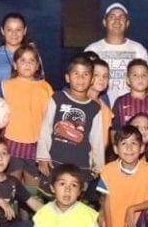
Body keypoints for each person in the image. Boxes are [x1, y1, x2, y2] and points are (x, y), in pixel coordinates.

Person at [0, 44, 53, 185]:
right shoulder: (6, 85)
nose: (27, 64)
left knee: (33, 192)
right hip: (10, 144)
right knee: (11, 188)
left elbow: (52, 120)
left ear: (38, 66)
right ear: (15, 65)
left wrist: (47, 150)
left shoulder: (46, 87)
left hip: (37, 145)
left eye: (32, 61)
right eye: (23, 60)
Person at [37, 54, 105, 187]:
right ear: (68, 77)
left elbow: (97, 140)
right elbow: (45, 129)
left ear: (92, 79)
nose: (81, 78)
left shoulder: (95, 108)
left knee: (75, 203)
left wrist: (99, 165)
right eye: (76, 73)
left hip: (80, 166)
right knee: (51, 202)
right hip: (54, 162)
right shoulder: (57, 98)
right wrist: (42, 156)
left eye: (86, 74)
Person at [85, 2, 148, 106]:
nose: (117, 20)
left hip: (131, 108)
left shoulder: (139, 49)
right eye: (112, 17)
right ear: (104, 22)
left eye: (122, 17)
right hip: (99, 106)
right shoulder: (92, 49)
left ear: (127, 23)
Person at [112, 59, 148, 155]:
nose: (140, 78)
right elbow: (114, 129)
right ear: (128, 80)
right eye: (135, 75)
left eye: (143, 75)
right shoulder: (120, 102)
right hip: (127, 153)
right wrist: (117, 152)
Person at [0, 12, 44, 86]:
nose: (14, 33)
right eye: (9, 30)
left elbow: (40, 83)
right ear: (2, 31)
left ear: (24, 31)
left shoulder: (33, 55)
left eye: (18, 29)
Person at [88, 57, 114, 154]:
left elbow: (104, 142)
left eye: (105, 76)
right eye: (96, 75)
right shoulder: (77, 102)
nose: (101, 79)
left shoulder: (106, 110)